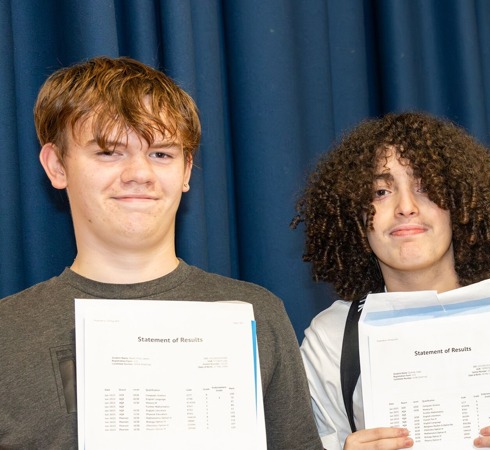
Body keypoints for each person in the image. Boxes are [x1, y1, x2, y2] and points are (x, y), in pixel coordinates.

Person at [0, 56, 320, 449]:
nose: (139, 174)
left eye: (161, 154)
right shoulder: (7, 331)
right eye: (108, 152)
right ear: (56, 166)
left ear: (186, 170)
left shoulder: (258, 315)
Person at [294, 112, 490, 450]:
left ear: (462, 203)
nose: (406, 207)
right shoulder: (330, 338)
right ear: (355, 216)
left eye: (426, 187)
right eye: (381, 191)